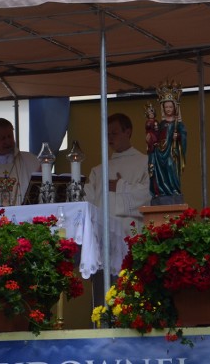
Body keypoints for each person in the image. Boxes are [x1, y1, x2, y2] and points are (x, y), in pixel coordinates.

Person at [87, 113, 152, 306]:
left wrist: (121, 187)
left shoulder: (145, 162)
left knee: (130, 300)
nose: (110, 138)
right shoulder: (98, 171)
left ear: (128, 132)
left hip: (130, 239)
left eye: (114, 133)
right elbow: (88, 203)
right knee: (102, 302)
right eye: (106, 134)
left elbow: (150, 196)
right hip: (103, 245)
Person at [146, 80, 187, 205]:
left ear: (175, 107)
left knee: (170, 167)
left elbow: (184, 136)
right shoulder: (162, 123)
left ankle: (173, 189)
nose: (168, 109)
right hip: (160, 152)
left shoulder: (178, 124)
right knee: (158, 172)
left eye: (170, 106)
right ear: (163, 108)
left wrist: (178, 136)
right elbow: (156, 135)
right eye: (166, 107)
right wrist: (151, 139)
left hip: (172, 152)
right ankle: (161, 191)